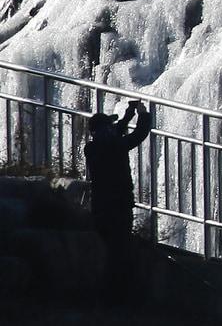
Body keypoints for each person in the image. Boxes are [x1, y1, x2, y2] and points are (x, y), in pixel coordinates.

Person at [85, 99, 152, 300]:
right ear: (103, 130)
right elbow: (139, 135)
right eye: (109, 126)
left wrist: (128, 115)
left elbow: (117, 132)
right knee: (120, 250)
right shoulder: (115, 146)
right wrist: (143, 114)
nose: (113, 128)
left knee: (109, 249)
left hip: (100, 206)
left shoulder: (92, 148)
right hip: (119, 206)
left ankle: (108, 292)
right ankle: (118, 294)